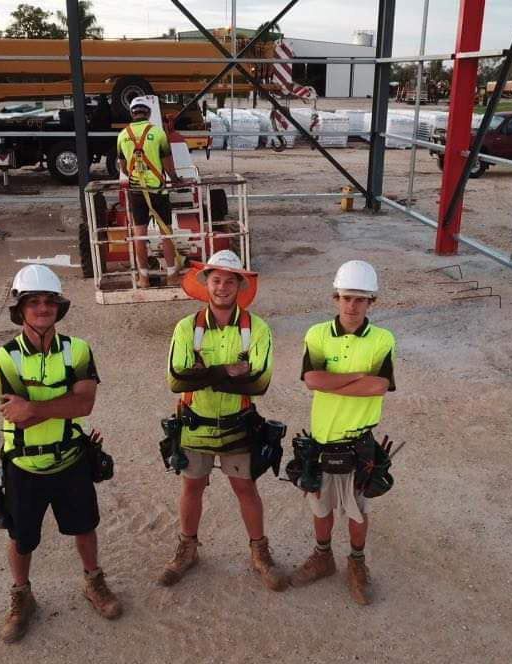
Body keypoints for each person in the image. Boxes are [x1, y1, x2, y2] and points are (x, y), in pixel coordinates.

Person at [0, 264, 121, 643]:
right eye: (34, 302)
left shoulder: (78, 349)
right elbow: (18, 416)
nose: (43, 308)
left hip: (70, 460)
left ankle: (94, 583)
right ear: (20, 309)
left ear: (59, 308)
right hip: (23, 463)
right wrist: (57, 404)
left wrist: (36, 407)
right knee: (21, 537)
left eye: (50, 302)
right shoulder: (5, 358)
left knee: (85, 526)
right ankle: (21, 596)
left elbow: (84, 406)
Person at [160, 249, 287, 591]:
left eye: (229, 281)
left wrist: (201, 373)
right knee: (192, 486)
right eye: (216, 280)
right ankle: (187, 550)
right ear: (206, 284)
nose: (222, 287)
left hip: (237, 422)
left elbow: (259, 384)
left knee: (246, 487)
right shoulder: (186, 327)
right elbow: (175, 380)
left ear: (239, 286)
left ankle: (260, 553)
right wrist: (228, 371)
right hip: (196, 422)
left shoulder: (257, 329)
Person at [290, 260, 397, 605]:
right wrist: (357, 379)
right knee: (320, 506)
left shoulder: (383, 340)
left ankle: (356, 562)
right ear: (335, 297)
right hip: (323, 438)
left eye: (360, 300)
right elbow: (311, 380)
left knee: (356, 510)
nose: (352, 306)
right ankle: (323, 557)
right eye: (347, 298)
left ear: (371, 303)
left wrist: (332, 382)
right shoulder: (317, 334)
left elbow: (379, 386)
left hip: (359, 442)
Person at [116, 95, 180, 289]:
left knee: (140, 236)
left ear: (132, 113)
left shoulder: (122, 135)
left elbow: (123, 167)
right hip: (158, 192)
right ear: (149, 113)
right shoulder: (158, 133)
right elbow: (168, 164)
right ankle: (171, 276)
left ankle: (143, 278)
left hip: (137, 192)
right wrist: (175, 179)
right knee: (166, 234)